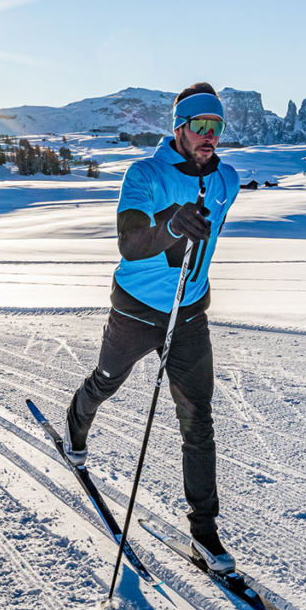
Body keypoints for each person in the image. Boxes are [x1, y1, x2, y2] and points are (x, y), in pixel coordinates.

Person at [65, 82, 240, 573]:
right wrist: (171, 226)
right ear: (179, 127)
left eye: (216, 127)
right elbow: (130, 242)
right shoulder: (144, 174)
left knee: (197, 418)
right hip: (137, 310)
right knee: (107, 381)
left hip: (189, 314)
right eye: (200, 126)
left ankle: (205, 532)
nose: (209, 136)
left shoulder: (227, 180)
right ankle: (76, 424)